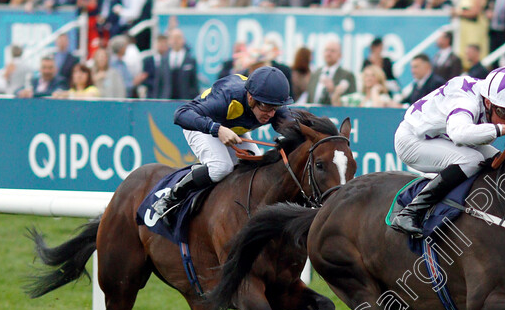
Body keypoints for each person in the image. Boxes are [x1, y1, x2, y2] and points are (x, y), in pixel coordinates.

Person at [391, 67, 505, 236]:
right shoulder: (465, 100)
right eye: (504, 113)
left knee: (500, 160)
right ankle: (411, 212)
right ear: (488, 103)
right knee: (471, 160)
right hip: (413, 140)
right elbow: (459, 134)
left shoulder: (501, 101)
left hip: (443, 137)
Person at [151, 66, 294, 218]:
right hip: (202, 125)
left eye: (276, 107)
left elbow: (294, 127)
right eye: (266, 106)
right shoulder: (227, 96)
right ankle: (172, 197)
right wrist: (216, 129)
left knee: (255, 171)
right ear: (251, 98)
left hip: (233, 127)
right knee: (221, 167)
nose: (271, 114)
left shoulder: (269, 103)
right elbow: (180, 114)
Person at [455, 0, 489, 69]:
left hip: (474, 27)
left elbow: (475, 11)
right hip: (466, 27)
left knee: (473, 50)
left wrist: (459, 12)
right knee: (465, 53)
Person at [306, 39, 356, 105]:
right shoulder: (315, 74)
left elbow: (351, 102)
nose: (328, 53)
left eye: (332, 51)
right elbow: (309, 99)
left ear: (340, 55)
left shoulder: (347, 76)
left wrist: (333, 91)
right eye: (326, 50)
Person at [154, 28, 198, 100]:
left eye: (178, 37)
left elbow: (194, 84)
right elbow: (158, 83)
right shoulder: (163, 59)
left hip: (184, 101)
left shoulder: (190, 60)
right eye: (173, 38)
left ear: (183, 40)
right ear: (169, 41)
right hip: (166, 100)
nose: (175, 40)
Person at [333, 65, 400, 108]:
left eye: (373, 76)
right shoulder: (358, 97)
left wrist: (375, 91)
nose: (369, 78)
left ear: (379, 78)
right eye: (366, 76)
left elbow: (377, 110)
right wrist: (337, 92)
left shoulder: (383, 98)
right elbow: (337, 104)